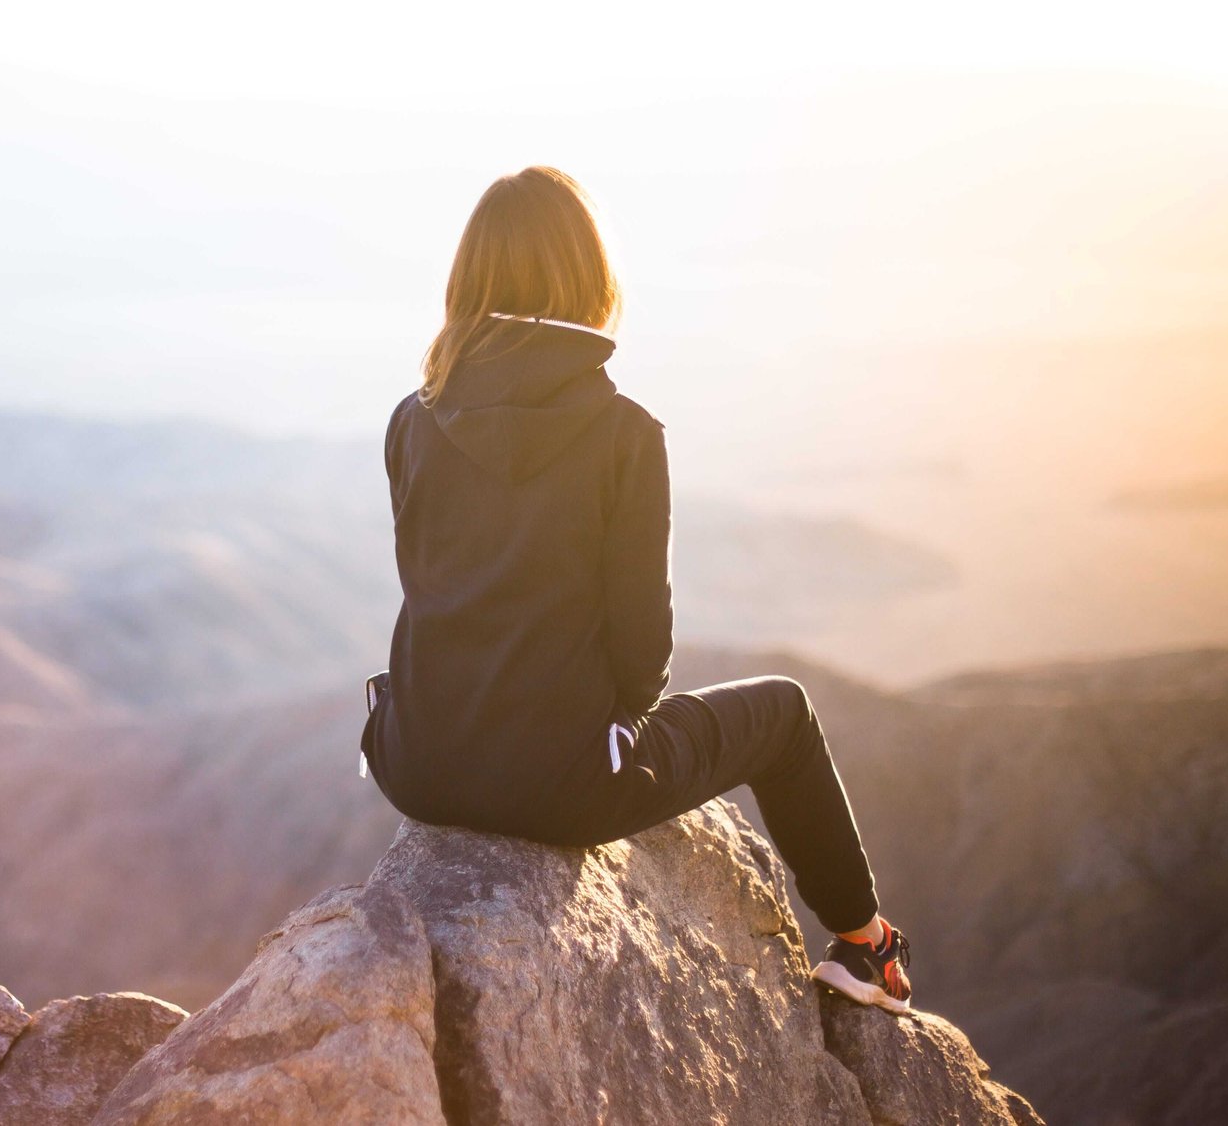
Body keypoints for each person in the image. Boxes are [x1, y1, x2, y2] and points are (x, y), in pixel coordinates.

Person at [357, 165, 913, 1014]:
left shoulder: (412, 416)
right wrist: (599, 736)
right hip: (564, 787)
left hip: (416, 762)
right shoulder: (624, 434)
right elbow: (643, 654)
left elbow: (431, 586)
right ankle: (865, 944)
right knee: (788, 714)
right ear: (588, 278)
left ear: (468, 279)